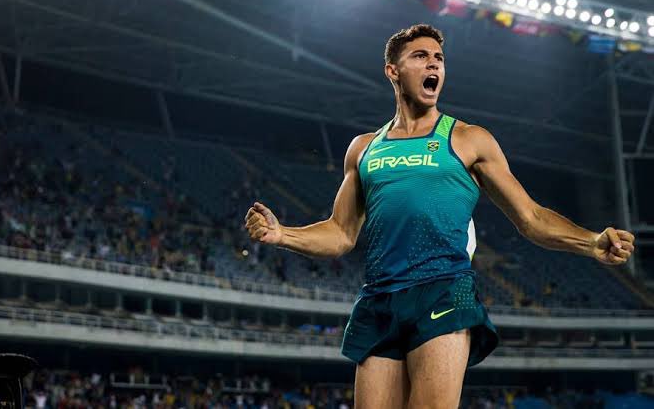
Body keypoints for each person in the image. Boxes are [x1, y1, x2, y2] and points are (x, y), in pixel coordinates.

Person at [244, 24, 635, 409]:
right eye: (420, 56)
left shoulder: (468, 140)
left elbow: (530, 217)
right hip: (380, 297)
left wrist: (591, 241)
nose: (434, 64)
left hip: (443, 289)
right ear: (393, 71)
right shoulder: (363, 149)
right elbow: (341, 233)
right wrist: (283, 235)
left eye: (439, 58)